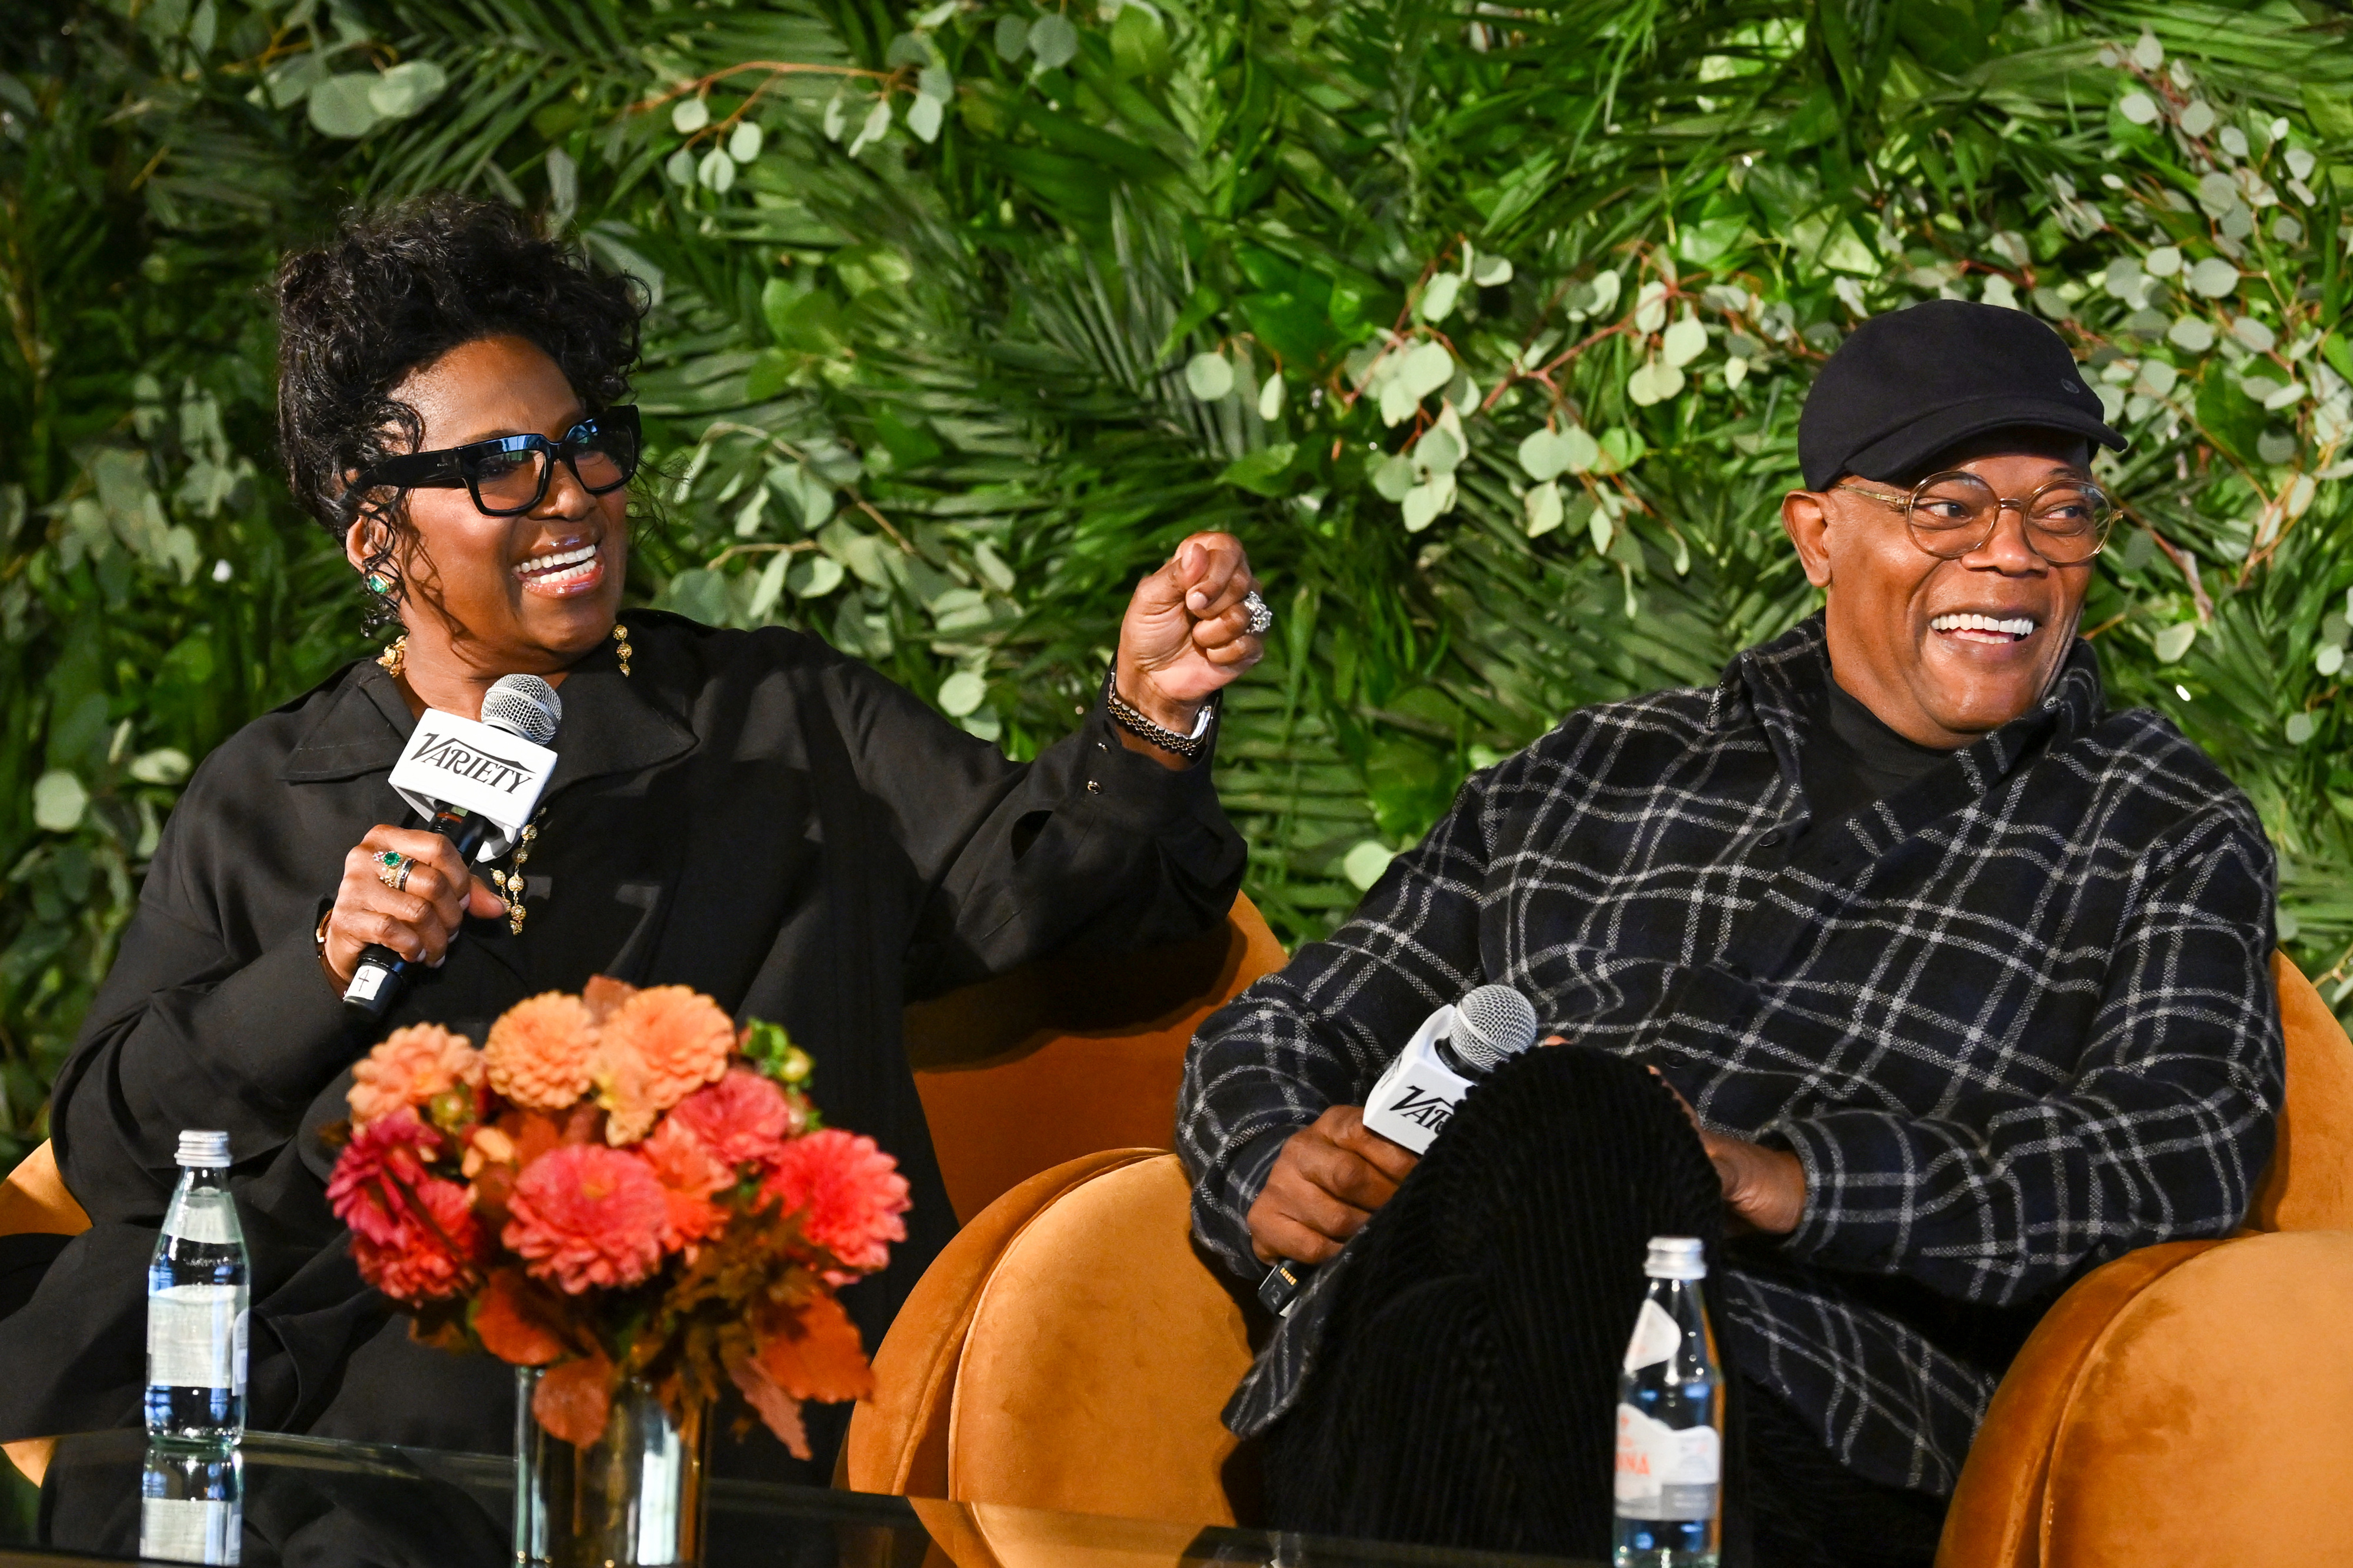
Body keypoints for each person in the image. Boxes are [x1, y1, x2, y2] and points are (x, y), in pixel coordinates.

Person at [0, 194, 1268, 1480]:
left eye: (589, 444)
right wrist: (322, 968)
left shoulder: (780, 717)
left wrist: (1147, 718)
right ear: (377, 533)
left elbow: (1072, 895)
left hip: (736, 1397)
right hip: (361, 1400)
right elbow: (114, 1151)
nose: (574, 497)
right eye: (502, 468)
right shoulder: (273, 789)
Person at [1178, 300, 2281, 1566]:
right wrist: (1259, 1160)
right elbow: (1289, 1022)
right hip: (1415, 1373)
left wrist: (1786, 1180)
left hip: (1803, 1421)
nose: (2013, 555)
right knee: (1515, 1199)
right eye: (1949, 506)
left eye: (2060, 511)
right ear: (1816, 535)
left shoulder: (2155, 821)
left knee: (1566, 1127)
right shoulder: (1587, 770)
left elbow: (2175, 1150)